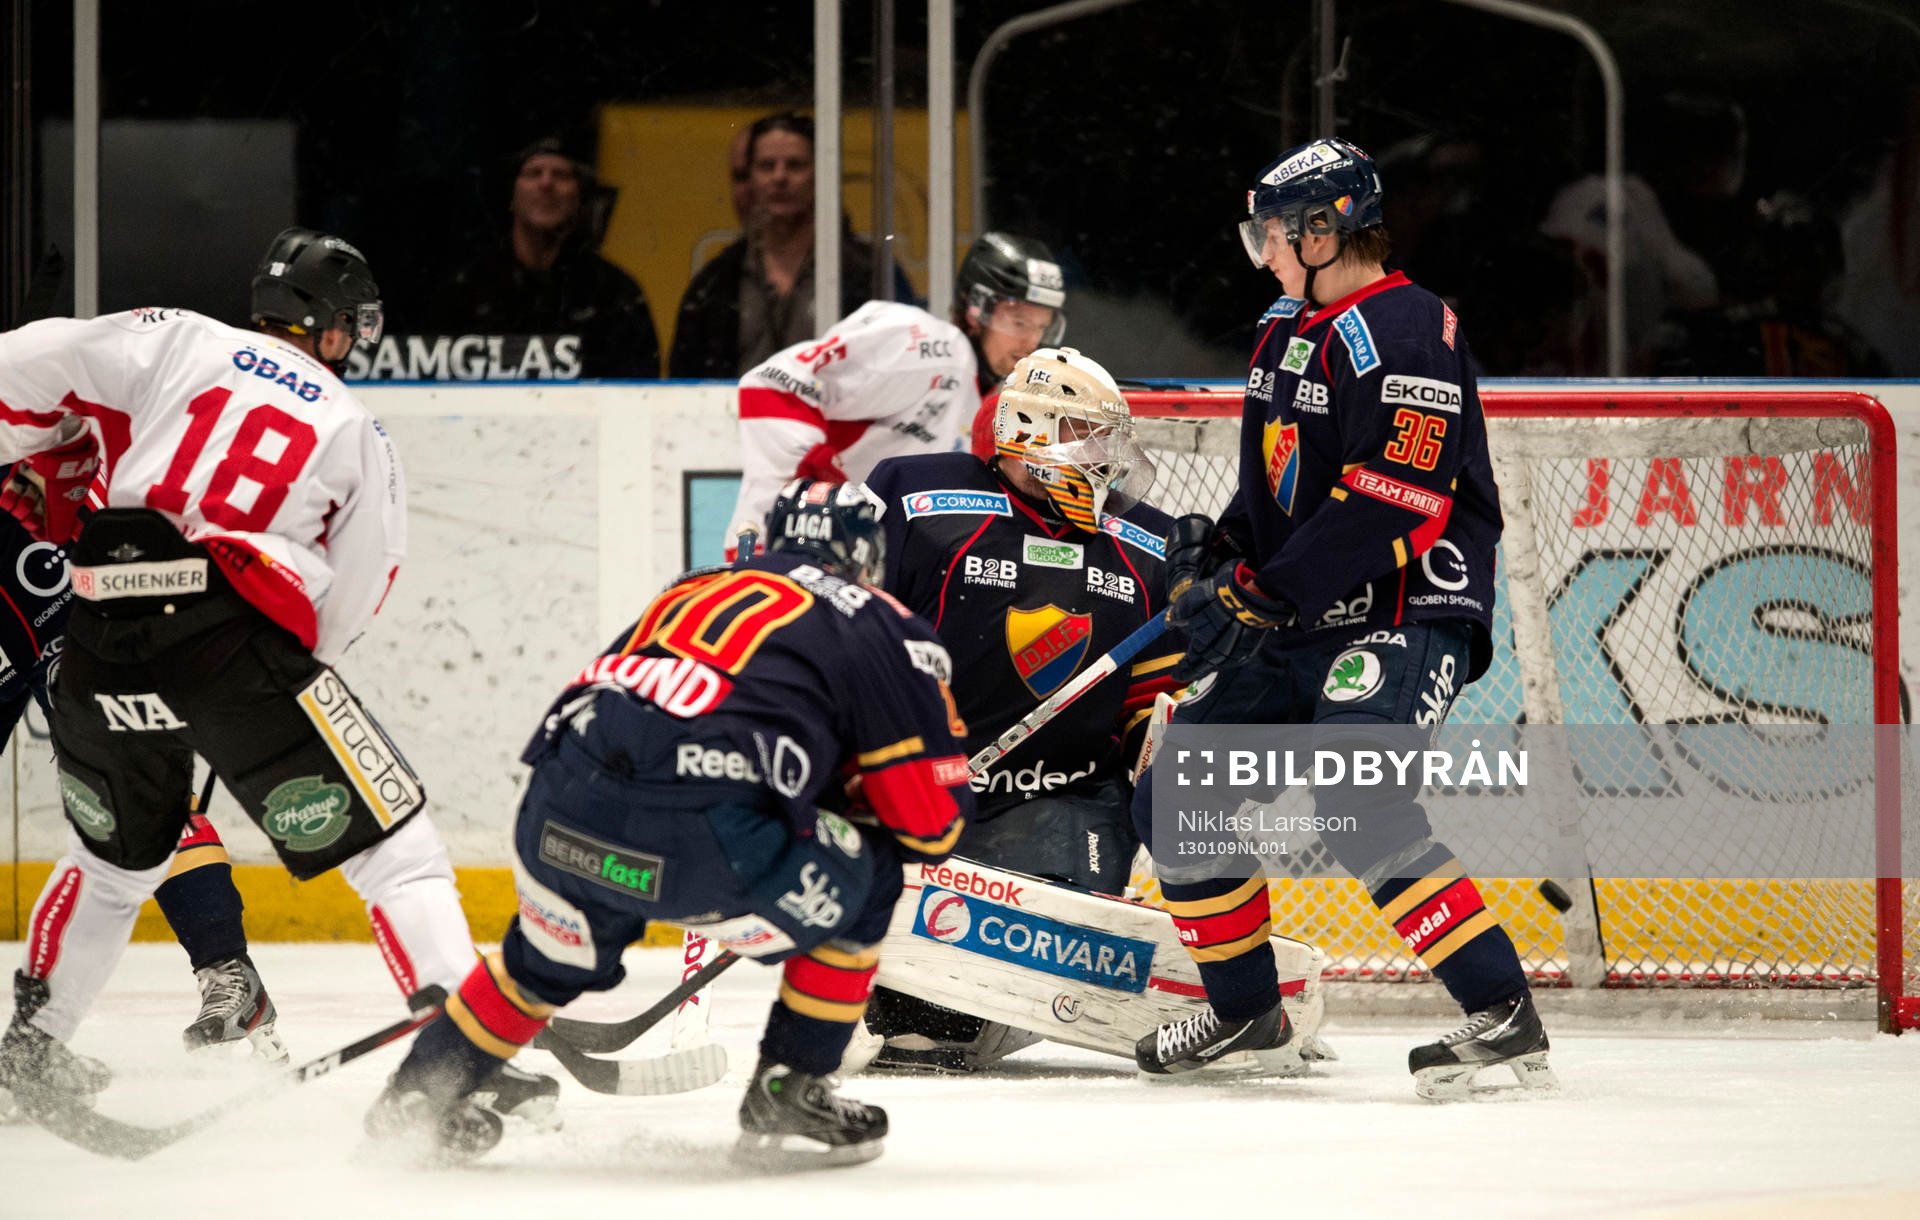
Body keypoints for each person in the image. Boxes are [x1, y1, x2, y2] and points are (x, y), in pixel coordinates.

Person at [0, 227, 555, 1126]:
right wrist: (263, 696)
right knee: (399, 851)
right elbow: (360, 590)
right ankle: (465, 1059)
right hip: (231, 642)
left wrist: (35, 448)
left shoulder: (179, 339)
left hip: (99, 630)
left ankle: (28, 1049)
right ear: (331, 329)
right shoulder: (351, 426)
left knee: (110, 864)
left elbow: (25, 360)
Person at [363, 479, 974, 1167]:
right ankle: (791, 1088)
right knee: (872, 877)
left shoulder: (693, 588)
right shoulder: (878, 621)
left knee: (541, 964)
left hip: (557, 815)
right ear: (865, 553)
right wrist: (850, 798)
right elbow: (932, 826)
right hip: (701, 844)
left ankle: (416, 1098)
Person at [1128, 138, 1556, 1099]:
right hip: (1306, 614)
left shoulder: (1410, 331)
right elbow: (1284, 483)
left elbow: (1394, 496)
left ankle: (1503, 1011)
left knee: (1359, 796)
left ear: (1325, 230)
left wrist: (1267, 590)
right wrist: (1227, 550)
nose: (1264, 253)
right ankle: (1249, 1014)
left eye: (1273, 234)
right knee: (1174, 797)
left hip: (1405, 609)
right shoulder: (1284, 321)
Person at [859, 346, 1183, 1071]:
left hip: (1067, 791)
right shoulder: (915, 498)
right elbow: (851, 632)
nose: (1109, 458)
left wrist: (1159, 746)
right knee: (913, 1013)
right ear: (1035, 433)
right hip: (929, 789)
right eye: (1092, 436)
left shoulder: (1147, 542)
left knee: (1026, 946)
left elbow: (1150, 695)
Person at [725, 231, 1067, 541]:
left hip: (858, 569)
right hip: (784, 553)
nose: (1031, 340)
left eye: (1043, 327)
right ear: (976, 310)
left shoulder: (995, 401)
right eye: (1018, 321)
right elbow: (772, 385)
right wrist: (814, 480)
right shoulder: (930, 346)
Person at [667, 112, 917, 379]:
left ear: (821, 175)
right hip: (736, 418)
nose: (780, 177)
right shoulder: (715, 282)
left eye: (795, 165)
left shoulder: (869, 272)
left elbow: (906, 364)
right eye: (766, 166)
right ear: (749, 179)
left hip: (834, 419)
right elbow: (684, 383)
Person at [436, 137, 662, 378]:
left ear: (581, 197)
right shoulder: (466, 289)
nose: (546, 183)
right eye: (533, 173)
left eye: (561, 175)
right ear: (512, 195)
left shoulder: (615, 294)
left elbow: (638, 392)